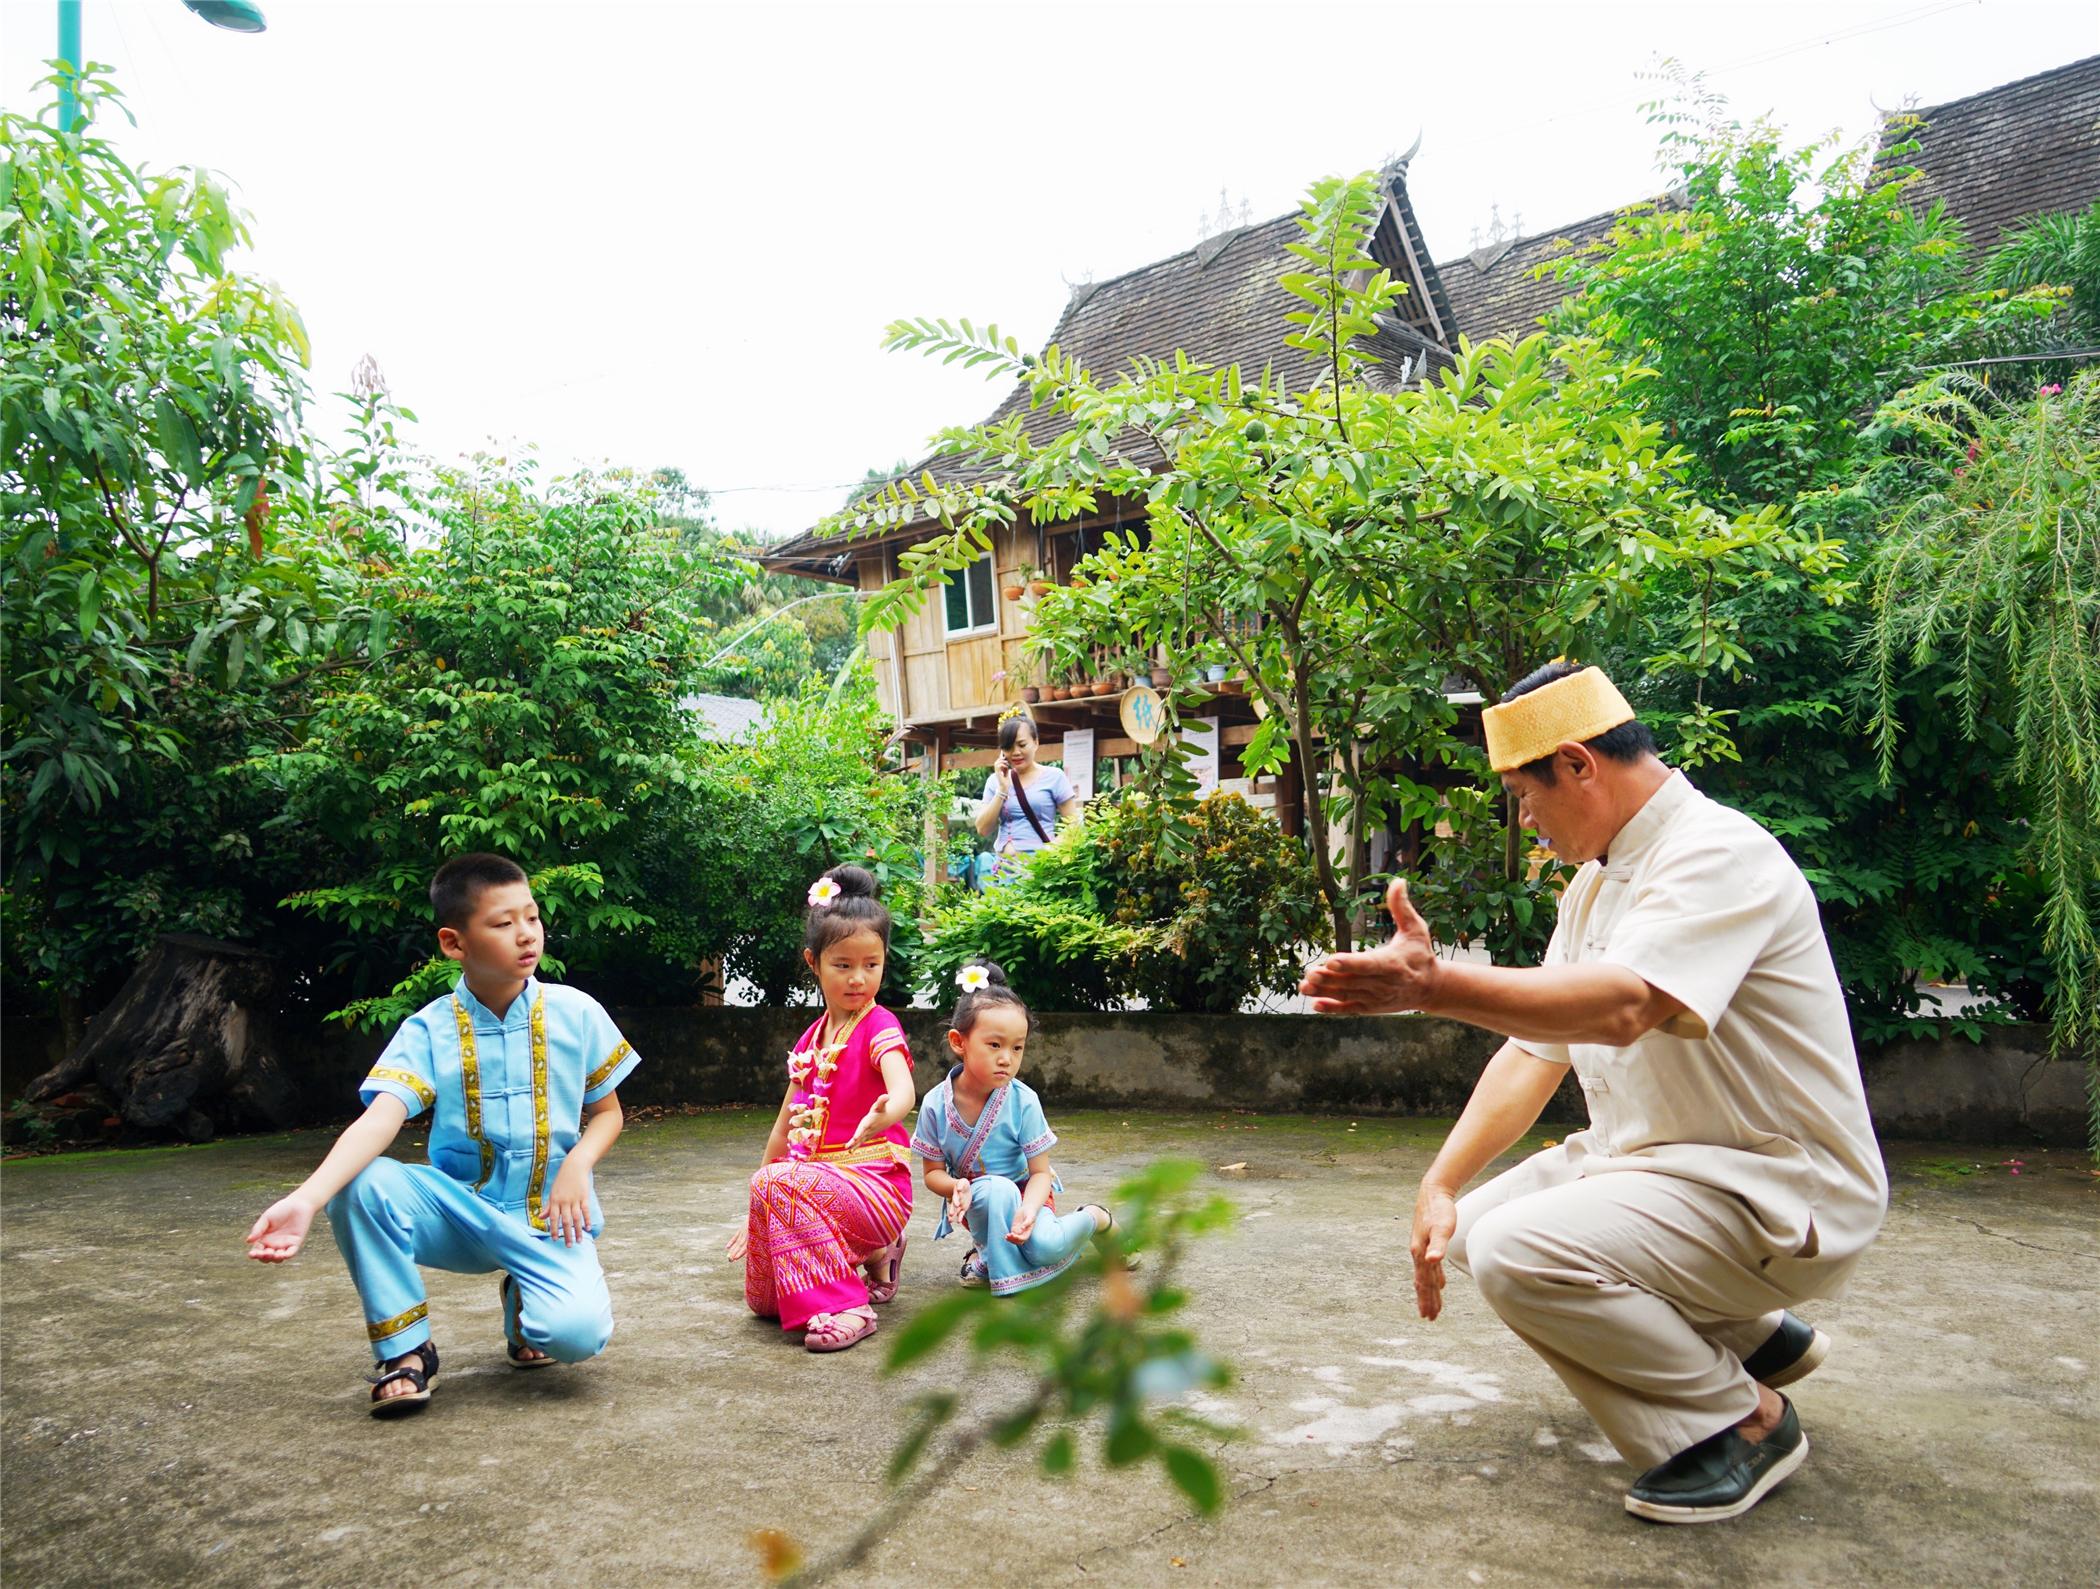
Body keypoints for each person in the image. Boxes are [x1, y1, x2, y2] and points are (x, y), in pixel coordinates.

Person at [1300, 662, 1887, 1525]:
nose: (1524, 818)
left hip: (1779, 1192)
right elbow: (1536, 1051)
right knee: (1474, 1230)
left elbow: (1623, 1005)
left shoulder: (1717, 854)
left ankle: (1739, 1423)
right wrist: (1440, 1183)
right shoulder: (1595, 885)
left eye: (1523, 795)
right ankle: (1753, 1337)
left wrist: (1435, 986)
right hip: (1676, 1176)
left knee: (1520, 1252)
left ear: (1577, 763)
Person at [245, 853, 640, 1418]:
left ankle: (526, 1297)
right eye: (503, 924)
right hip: (461, 1215)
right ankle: (406, 1353)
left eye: (531, 918)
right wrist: (308, 1198)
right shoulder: (428, 1029)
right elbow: (380, 1119)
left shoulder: (576, 1012)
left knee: (574, 1339)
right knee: (362, 1183)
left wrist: (577, 1165)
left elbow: (609, 1113)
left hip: (551, 1218)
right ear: (455, 943)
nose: (526, 935)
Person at [727, 864, 917, 1352]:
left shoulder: (879, 1026)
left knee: (777, 1183)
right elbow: (781, 1131)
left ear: (883, 961)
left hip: (876, 1186)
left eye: (871, 965)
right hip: (820, 1188)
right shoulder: (811, 1039)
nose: (858, 979)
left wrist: (886, 1113)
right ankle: (878, 1255)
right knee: (764, 1301)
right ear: (814, 963)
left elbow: (904, 1091)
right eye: (843, 965)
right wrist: (758, 1213)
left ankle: (848, 1304)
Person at [909, 961, 1121, 1294]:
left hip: (1028, 1193)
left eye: (1017, 1047)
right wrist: (956, 1187)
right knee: (995, 1189)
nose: (1007, 1058)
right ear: (958, 1041)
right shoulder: (936, 1104)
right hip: (979, 1200)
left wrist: (1029, 1209)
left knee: (1045, 1248)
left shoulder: (1023, 1100)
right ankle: (990, 1252)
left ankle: (1094, 1217)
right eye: (994, 1045)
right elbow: (932, 1173)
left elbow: (1040, 1173)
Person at [974, 714, 1082, 885]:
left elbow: (1074, 825)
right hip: (1004, 875)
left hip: (1040, 872)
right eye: (1009, 747)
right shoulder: (994, 781)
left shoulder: (1055, 777)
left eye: (1022, 745)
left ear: (1036, 742)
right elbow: (982, 829)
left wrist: (1049, 853)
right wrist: (1002, 789)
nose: (1016, 752)